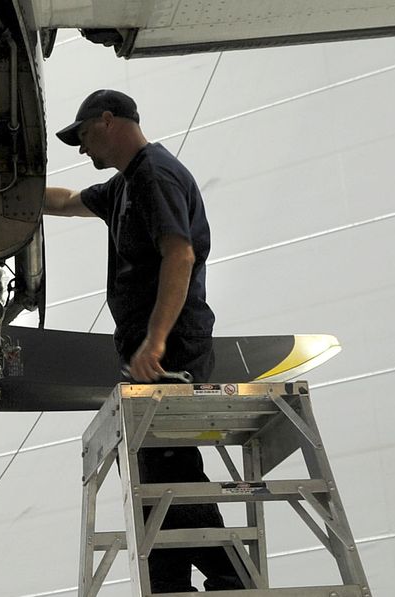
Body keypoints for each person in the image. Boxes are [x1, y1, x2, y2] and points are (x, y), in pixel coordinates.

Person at [44, 89, 244, 592]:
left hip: (174, 345)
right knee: (156, 471)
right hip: (154, 346)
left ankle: (231, 577)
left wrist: (155, 342)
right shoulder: (124, 186)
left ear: (109, 121)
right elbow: (66, 202)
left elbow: (180, 255)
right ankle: (171, 583)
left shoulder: (155, 176)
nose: (82, 149)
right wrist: (0, 193)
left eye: (84, 135)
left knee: (171, 468)